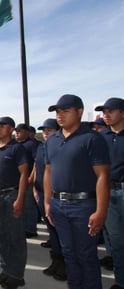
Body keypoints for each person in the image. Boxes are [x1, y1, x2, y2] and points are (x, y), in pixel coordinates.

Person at [44, 94, 110, 289]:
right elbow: (48, 172)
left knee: (86, 255)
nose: (60, 116)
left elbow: (103, 176)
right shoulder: (52, 141)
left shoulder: (91, 138)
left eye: (65, 111)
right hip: (58, 205)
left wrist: (100, 211)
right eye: (57, 112)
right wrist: (47, 202)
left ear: (79, 112)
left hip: (84, 206)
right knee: (69, 254)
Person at [0, 116, 28, 289]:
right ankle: (6, 270)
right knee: (3, 236)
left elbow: (24, 174)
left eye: (2, 126)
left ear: (11, 129)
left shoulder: (17, 148)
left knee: (15, 236)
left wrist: (19, 199)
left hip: (11, 195)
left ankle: (17, 275)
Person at [95, 97, 124, 289]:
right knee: (116, 241)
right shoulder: (100, 138)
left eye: (110, 111)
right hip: (108, 193)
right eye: (104, 112)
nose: (106, 115)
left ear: (122, 112)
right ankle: (121, 281)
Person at [33, 118, 66, 281]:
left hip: (56, 196)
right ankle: (56, 260)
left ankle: (65, 265)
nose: (46, 133)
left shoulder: (60, 147)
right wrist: (34, 188)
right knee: (52, 231)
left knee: (61, 232)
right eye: (44, 131)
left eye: (49, 130)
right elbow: (37, 168)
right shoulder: (41, 147)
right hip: (41, 193)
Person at [15, 123, 39, 238]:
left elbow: (36, 162)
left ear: (26, 132)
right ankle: (23, 227)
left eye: (19, 131)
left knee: (29, 205)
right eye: (16, 131)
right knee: (20, 205)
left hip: (28, 178)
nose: (17, 133)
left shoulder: (32, 144)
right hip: (17, 180)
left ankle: (30, 229)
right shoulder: (16, 145)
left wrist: (31, 177)